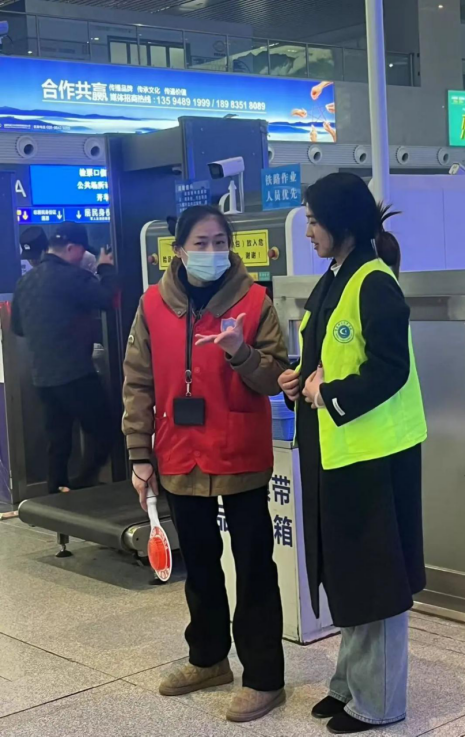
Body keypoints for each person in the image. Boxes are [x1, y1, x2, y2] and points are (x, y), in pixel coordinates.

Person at [122, 205, 288, 723]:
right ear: (178, 250)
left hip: (240, 454)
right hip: (179, 454)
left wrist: (240, 352)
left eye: (220, 242)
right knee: (199, 564)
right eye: (201, 242)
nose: (212, 252)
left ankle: (264, 677)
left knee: (254, 567)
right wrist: (139, 454)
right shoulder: (153, 304)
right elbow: (138, 382)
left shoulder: (255, 302)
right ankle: (208, 659)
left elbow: (276, 378)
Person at [278, 173, 427, 735]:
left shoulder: (373, 281)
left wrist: (328, 394)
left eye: (314, 221)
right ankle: (351, 684)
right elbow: (326, 356)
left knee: (376, 580)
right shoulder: (337, 276)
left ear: (341, 224)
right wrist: (298, 381)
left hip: (374, 458)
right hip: (340, 453)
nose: (308, 232)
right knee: (350, 574)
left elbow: (390, 369)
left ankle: (379, 701)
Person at [11, 222, 117, 495]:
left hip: (43, 378)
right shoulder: (72, 277)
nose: (83, 257)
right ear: (71, 248)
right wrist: (105, 268)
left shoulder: (24, 283)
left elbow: (18, 328)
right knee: (106, 430)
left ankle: (57, 492)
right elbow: (108, 299)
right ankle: (84, 485)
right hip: (76, 374)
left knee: (58, 441)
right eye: (81, 251)